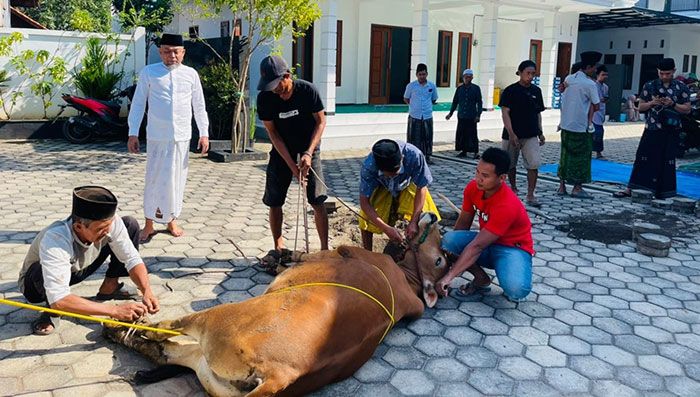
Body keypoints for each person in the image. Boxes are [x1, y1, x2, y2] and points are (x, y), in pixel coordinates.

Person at [18, 186, 160, 335]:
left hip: (77, 268)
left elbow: (131, 258)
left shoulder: (109, 222)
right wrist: (114, 311)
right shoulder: (56, 238)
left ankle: (110, 287)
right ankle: (51, 311)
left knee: (130, 224)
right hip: (36, 284)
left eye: (108, 226)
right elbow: (59, 298)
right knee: (48, 282)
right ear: (79, 226)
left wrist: (147, 291)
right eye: (101, 229)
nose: (107, 231)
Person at [127, 33, 210, 242]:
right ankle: (149, 223)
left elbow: (199, 106)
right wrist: (133, 132)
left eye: (175, 51)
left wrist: (204, 133)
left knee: (177, 180)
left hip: (182, 137)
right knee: (154, 180)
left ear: (183, 52)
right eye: (166, 51)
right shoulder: (149, 72)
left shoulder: (191, 74)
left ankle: (172, 219)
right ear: (160, 52)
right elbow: (138, 104)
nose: (171, 55)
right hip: (157, 136)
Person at [435, 148, 533, 302]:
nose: (478, 179)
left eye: (485, 176)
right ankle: (481, 279)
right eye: (477, 172)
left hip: (512, 248)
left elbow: (477, 247)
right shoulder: (472, 188)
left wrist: (448, 278)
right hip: (487, 243)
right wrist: (450, 258)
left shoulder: (507, 205)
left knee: (516, 289)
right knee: (449, 240)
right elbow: (462, 225)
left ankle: (511, 269)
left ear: (502, 178)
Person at [256, 55, 329, 256]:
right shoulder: (265, 97)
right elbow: (273, 133)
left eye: (277, 85)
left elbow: (321, 122)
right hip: (282, 150)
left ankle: (324, 249)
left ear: (287, 76)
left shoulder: (307, 91)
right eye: (270, 86)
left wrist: (308, 152)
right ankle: (278, 244)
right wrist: (292, 166)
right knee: (274, 199)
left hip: (309, 146)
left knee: (317, 198)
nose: (275, 91)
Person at [614, 58, 691, 199]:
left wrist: (672, 104)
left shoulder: (681, 87)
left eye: (667, 73)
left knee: (666, 160)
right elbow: (640, 106)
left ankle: (663, 191)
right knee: (642, 158)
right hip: (653, 127)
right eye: (661, 73)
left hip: (671, 129)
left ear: (674, 71)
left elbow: (687, 109)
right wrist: (652, 103)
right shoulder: (650, 86)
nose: (664, 76)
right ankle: (632, 188)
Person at [359, 139, 441, 251]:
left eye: (396, 172)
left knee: (427, 216)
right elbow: (364, 203)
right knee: (365, 220)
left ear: (402, 158)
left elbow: (421, 187)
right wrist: (386, 228)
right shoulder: (369, 167)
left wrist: (413, 221)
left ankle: (428, 249)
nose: (393, 176)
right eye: (389, 174)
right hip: (382, 186)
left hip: (408, 183)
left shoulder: (414, 155)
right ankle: (367, 253)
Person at [499, 60, 546, 208]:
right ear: (520, 73)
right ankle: (512, 189)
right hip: (512, 134)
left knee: (533, 164)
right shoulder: (510, 91)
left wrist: (540, 132)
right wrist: (511, 134)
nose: (530, 76)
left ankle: (531, 194)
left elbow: (538, 113)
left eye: (533, 73)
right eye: (528, 73)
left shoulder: (536, 91)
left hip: (531, 134)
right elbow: (505, 113)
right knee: (510, 164)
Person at [557, 51, 601, 199]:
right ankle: (577, 187)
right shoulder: (590, 84)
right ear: (588, 67)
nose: (595, 70)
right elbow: (597, 105)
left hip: (565, 123)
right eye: (594, 68)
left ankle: (562, 186)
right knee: (581, 157)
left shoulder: (569, 78)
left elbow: (562, 89)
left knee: (565, 155)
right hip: (581, 126)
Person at [404, 63, 438, 164]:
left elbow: (434, 98)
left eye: (424, 74)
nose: (422, 76)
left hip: (427, 115)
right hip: (415, 115)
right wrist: (414, 106)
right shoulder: (411, 86)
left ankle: (427, 157)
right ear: (416, 75)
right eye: (420, 74)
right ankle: (413, 158)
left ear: (427, 74)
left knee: (427, 137)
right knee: (414, 137)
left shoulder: (431, 86)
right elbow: (406, 98)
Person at [446, 69, 483, 159]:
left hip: (471, 115)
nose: (467, 79)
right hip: (462, 115)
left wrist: (478, 115)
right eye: (466, 77)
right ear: (463, 77)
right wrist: (450, 113)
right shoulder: (459, 89)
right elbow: (455, 102)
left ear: (472, 78)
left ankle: (475, 152)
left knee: (472, 134)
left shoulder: (476, 88)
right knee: (462, 134)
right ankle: (463, 151)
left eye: (469, 77)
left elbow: (479, 102)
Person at [593, 65, 609, 159]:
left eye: (606, 75)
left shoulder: (605, 87)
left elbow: (605, 98)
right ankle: (597, 152)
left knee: (599, 132)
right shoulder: (593, 85)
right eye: (603, 75)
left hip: (601, 111)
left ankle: (598, 152)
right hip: (594, 112)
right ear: (598, 75)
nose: (605, 77)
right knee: (598, 132)